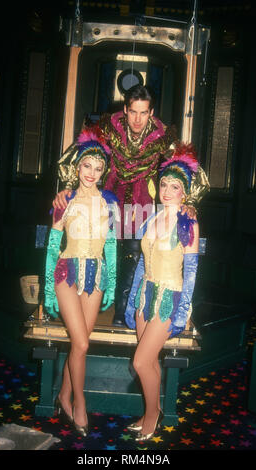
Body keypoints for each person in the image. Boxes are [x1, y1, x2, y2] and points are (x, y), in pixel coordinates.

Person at [53, 85, 209, 325]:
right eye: (133, 112)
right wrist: (68, 185)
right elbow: (81, 153)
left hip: (143, 201)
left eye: (143, 113)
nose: (137, 119)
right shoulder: (109, 127)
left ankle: (123, 314)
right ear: (125, 109)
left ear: (151, 112)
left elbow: (186, 167)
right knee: (103, 251)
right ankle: (84, 310)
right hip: (110, 197)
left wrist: (190, 202)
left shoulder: (163, 135)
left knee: (136, 255)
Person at [44, 125, 118, 436]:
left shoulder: (110, 201)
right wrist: (48, 287)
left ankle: (63, 394)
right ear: (77, 167)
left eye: (98, 168)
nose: (92, 172)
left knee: (79, 345)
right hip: (67, 272)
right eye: (87, 165)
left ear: (104, 172)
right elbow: (52, 244)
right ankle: (79, 402)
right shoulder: (64, 200)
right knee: (83, 341)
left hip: (97, 276)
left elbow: (112, 245)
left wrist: (111, 282)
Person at [124, 143, 199, 441]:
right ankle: (150, 410)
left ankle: (153, 415)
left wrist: (183, 312)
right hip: (146, 294)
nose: (167, 191)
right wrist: (133, 301)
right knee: (150, 361)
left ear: (185, 192)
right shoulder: (151, 218)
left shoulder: (188, 220)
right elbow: (143, 264)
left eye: (175, 186)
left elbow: (191, 271)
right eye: (165, 184)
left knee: (140, 361)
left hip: (170, 297)